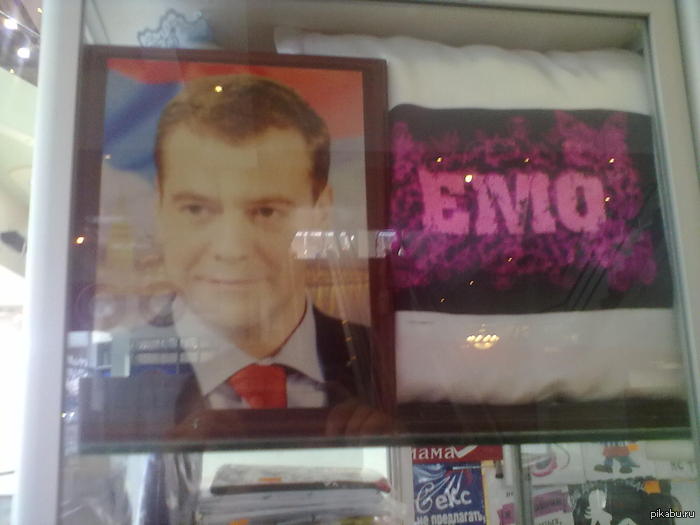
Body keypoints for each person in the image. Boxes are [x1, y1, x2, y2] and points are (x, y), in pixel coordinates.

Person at [127, 74, 385, 525]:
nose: (231, 248)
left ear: (321, 213)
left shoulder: (380, 362)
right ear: (159, 211)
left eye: (266, 211)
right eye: (196, 209)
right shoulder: (111, 387)